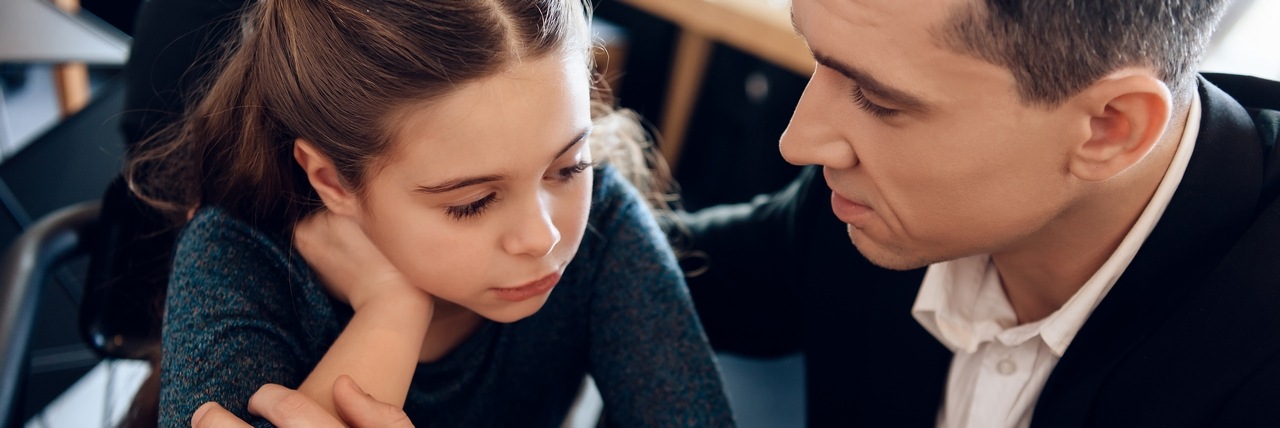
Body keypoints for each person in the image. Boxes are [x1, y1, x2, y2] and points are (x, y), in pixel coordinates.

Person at [194, 0, 1280, 426]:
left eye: (880, 97)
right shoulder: (865, 212)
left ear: (1108, 127)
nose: (797, 139)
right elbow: (656, 265)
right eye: (821, 64)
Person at [129, 0, 734, 426]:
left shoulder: (605, 225)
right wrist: (392, 310)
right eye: (471, 203)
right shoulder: (236, 253)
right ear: (330, 180)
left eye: (570, 166)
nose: (542, 235)